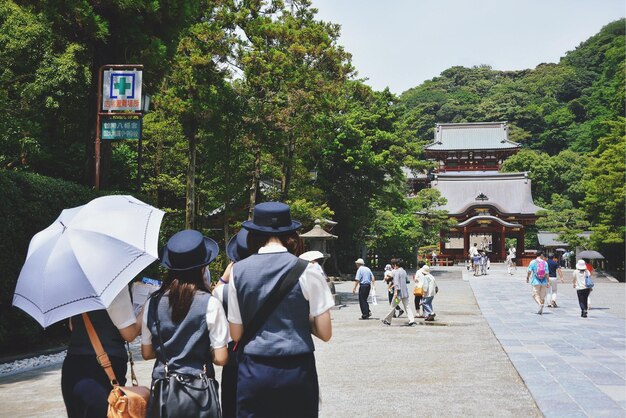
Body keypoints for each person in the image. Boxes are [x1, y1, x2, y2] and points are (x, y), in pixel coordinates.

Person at [227, 202, 334, 418]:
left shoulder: (238, 272)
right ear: (291, 235)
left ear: (253, 235)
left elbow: (236, 334)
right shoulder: (308, 271)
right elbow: (325, 333)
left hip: (254, 368)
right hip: (297, 368)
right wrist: (299, 320)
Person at [141, 229, 229, 418]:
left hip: (164, 390)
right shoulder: (210, 303)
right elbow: (221, 358)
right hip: (199, 393)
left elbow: (147, 353)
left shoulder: (152, 302)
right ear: (202, 268)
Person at [62, 287, 143, 417]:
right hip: (103, 367)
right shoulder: (114, 286)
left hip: (72, 367)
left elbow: (73, 326)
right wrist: (145, 309)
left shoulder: (77, 286)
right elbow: (129, 333)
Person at [213, 228, 250, 418]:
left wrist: (223, 279)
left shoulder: (223, 291)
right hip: (269, 357)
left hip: (235, 358)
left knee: (232, 408)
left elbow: (212, 301)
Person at [382, 259, 416, 327]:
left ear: (396, 265)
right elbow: (407, 281)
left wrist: (396, 292)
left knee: (393, 305)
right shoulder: (404, 271)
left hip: (398, 294)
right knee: (407, 306)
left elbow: (397, 282)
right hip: (405, 293)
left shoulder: (397, 272)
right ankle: (411, 320)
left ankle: (387, 320)